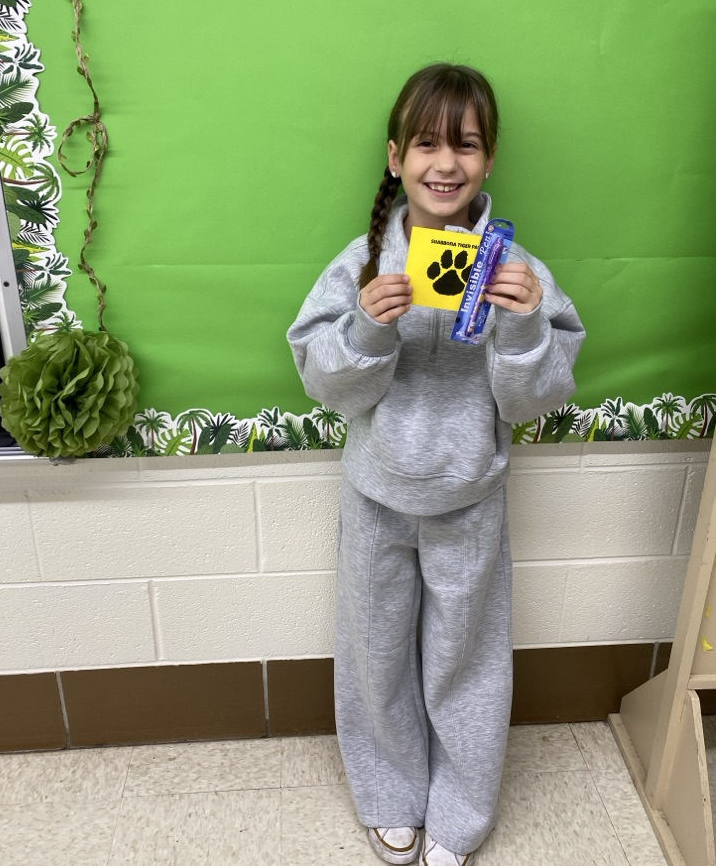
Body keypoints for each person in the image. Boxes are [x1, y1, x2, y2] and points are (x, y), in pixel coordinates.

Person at [287, 63, 585, 866]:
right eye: (426, 143)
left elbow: (533, 401)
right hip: (377, 494)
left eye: (467, 144)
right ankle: (389, 792)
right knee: (375, 651)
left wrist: (523, 330)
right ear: (395, 158)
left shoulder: (519, 274)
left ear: (489, 163)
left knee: (467, 664)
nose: (445, 162)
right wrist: (366, 330)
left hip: (469, 498)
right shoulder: (361, 265)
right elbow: (322, 382)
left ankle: (461, 810)